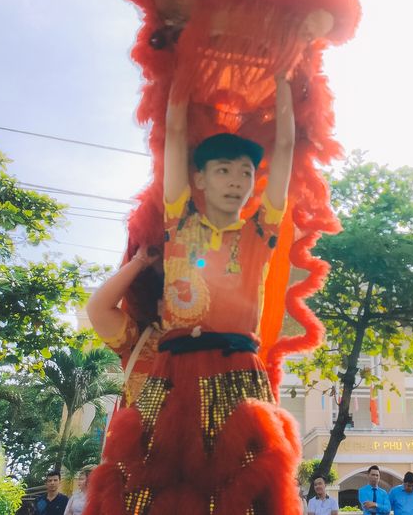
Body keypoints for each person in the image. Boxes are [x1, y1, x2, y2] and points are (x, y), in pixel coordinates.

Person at [86, 76, 299, 513]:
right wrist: (179, 64)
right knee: (148, 482)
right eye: (223, 170)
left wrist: (283, 81)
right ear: (198, 178)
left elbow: (285, 150)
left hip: (239, 371)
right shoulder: (179, 223)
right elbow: (176, 135)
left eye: (245, 172)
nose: (237, 180)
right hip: (172, 372)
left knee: (245, 483)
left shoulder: (263, 232)